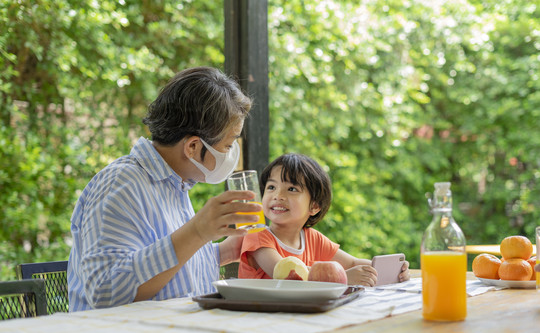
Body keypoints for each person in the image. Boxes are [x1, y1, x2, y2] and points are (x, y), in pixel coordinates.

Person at [68, 66, 263, 311]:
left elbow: (166, 266)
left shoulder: (175, 184)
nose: (231, 155)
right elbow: (105, 291)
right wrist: (197, 232)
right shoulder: (121, 184)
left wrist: (225, 251)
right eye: (228, 145)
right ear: (192, 147)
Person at [238, 153, 410, 286]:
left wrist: (393, 271)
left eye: (291, 188)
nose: (277, 196)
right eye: (271, 187)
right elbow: (284, 273)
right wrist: (344, 278)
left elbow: (352, 262)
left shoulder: (313, 238)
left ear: (314, 206)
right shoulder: (257, 235)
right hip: (260, 315)